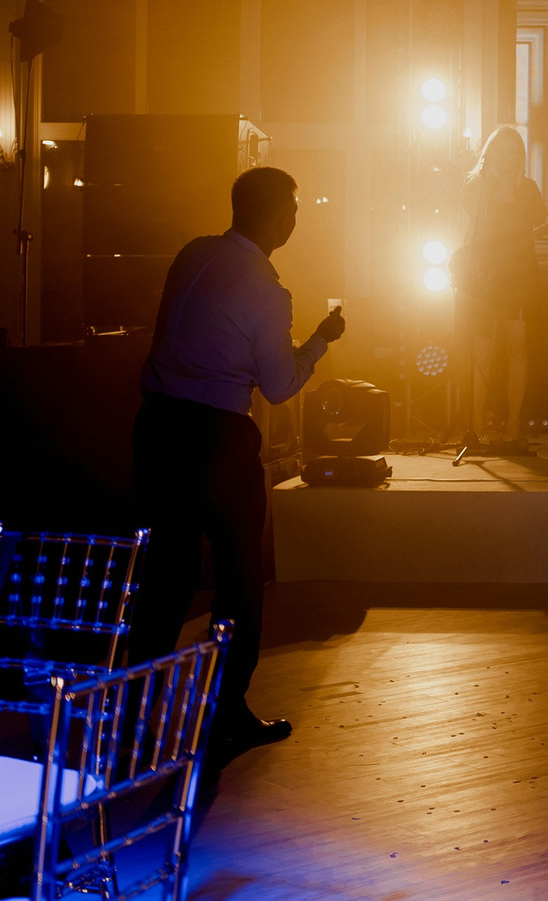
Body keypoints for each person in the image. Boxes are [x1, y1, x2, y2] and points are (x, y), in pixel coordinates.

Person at [129, 166, 345, 762]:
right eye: (294, 209)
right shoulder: (268, 291)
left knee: (164, 578)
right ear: (277, 217)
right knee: (239, 579)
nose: (297, 219)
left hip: (157, 427)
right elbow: (278, 385)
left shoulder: (193, 254)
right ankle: (226, 712)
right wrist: (319, 342)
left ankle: (135, 713)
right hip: (218, 438)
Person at [458, 126, 547, 454]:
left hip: (519, 278)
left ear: (520, 156)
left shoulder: (528, 188)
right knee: (481, 352)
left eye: (514, 152)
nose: (508, 158)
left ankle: (512, 426)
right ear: (491, 153)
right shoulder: (477, 185)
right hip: (484, 278)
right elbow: (471, 214)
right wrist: (493, 183)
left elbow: (539, 217)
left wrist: (514, 186)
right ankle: (476, 427)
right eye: (502, 151)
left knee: (516, 349)